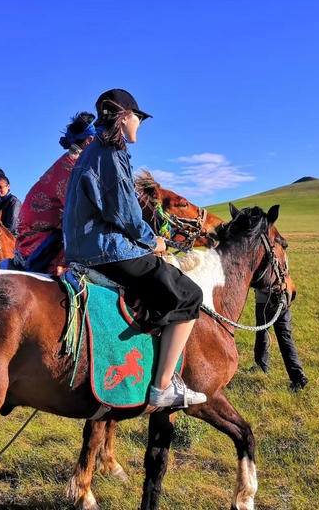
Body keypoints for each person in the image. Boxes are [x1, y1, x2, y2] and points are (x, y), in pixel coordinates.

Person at [63, 89, 206, 408]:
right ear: (126, 117)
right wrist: (152, 240)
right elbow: (125, 213)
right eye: (139, 118)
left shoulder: (90, 151)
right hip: (105, 251)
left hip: (82, 249)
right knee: (189, 295)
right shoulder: (111, 152)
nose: (140, 125)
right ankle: (164, 386)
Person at [14, 112, 96, 273]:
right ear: (90, 141)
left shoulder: (70, 161)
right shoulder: (73, 168)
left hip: (39, 231)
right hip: (37, 240)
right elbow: (80, 214)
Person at [254, 288, 308, 390]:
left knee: (262, 334)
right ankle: (298, 377)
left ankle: (261, 366)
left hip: (265, 302)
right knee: (285, 337)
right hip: (283, 300)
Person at [0, 168, 22, 236]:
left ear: (8, 186)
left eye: (0, 187)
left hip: (14, 237)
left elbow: (12, 226)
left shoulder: (14, 202)